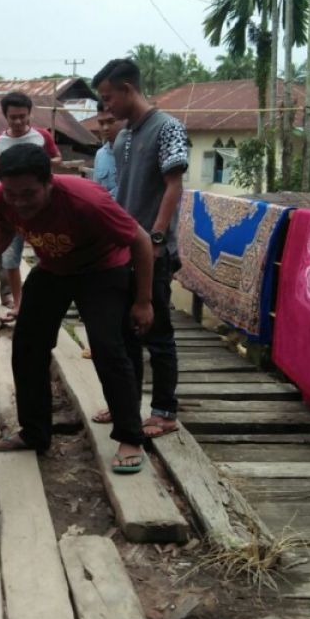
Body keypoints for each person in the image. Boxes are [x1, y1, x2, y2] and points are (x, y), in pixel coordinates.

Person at [0, 144, 154, 472]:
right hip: (53, 268)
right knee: (27, 345)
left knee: (108, 347)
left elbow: (141, 240)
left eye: (29, 194)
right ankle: (36, 432)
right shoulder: (0, 198)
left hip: (103, 268)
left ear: (49, 182)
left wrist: (143, 301)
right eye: (12, 194)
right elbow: (5, 228)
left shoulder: (86, 200)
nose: (20, 203)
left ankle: (129, 435)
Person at [93, 58, 188, 439]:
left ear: (127, 89)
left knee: (158, 331)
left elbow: (173, 186)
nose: (106, 107)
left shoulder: (168, 129)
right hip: (125, 248)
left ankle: (164, 411)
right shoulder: (124, 136)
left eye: (108, 97)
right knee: (125, 331)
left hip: (155, 250)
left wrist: (158, 236)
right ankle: (126, 405)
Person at [0, 91, 69, 320]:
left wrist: (38, 164)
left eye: (22, 116)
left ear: (29, 114)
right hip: (11, 208)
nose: (18, 122)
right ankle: (19, 303)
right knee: (10, 257)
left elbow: (57, 158)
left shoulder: (41, 137)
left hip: (43, 207)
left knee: (48, 254)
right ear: (5, 117)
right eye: (13, 117)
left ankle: (47, 303)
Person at [91, 101, 121, 199]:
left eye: (111, 121)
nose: (105, 128)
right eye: (101, 123)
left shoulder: (136, 152)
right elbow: (96, 192)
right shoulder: (100, 155)